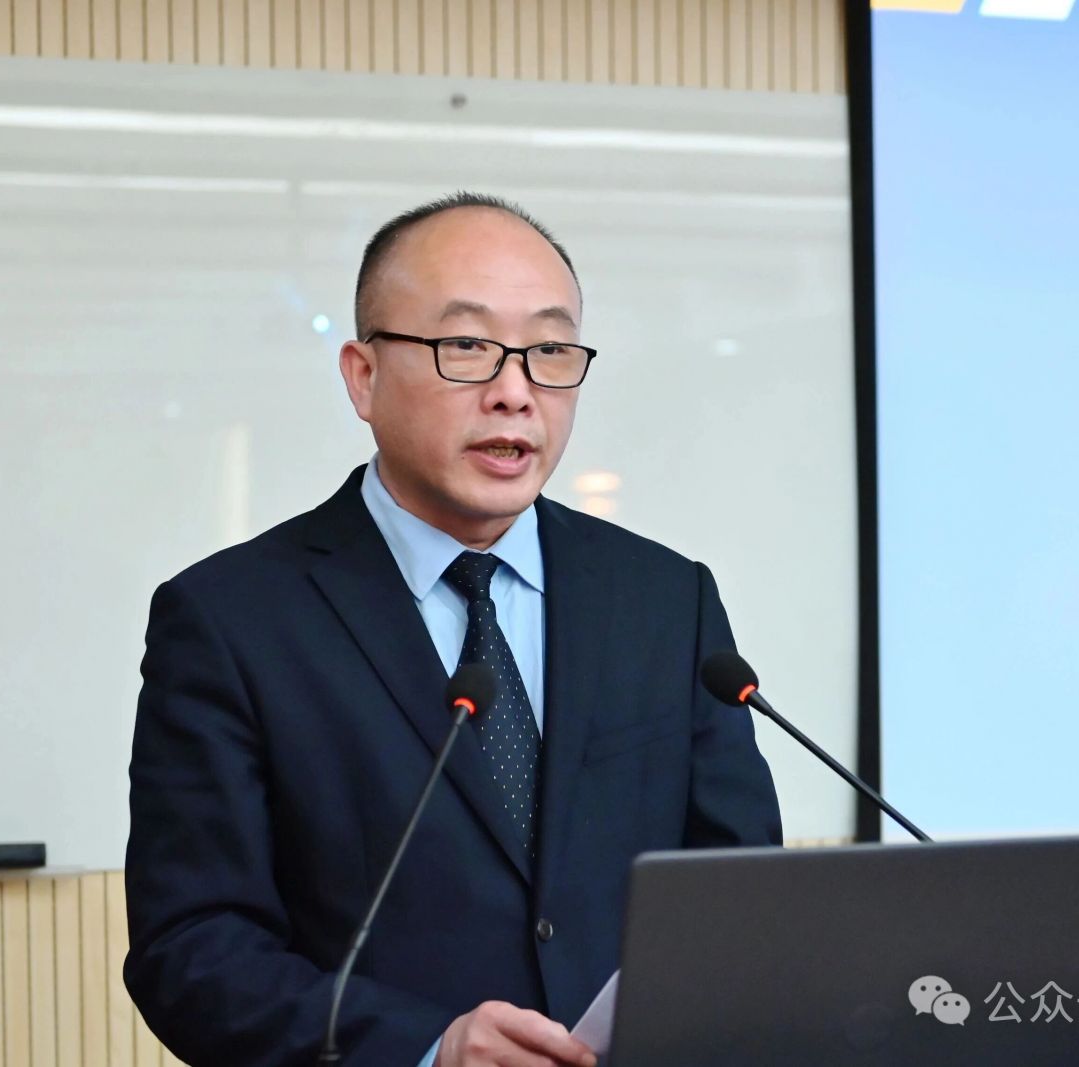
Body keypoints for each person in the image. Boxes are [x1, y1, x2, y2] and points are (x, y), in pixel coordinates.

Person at [123, 192, 782, 1067]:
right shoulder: (230, 621)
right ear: (363, 376)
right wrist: (424, 1048)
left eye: (549, 350)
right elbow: (193, 948)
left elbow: (740, 894)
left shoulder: (666, 599)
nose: (515, 393)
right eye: (467, 346)